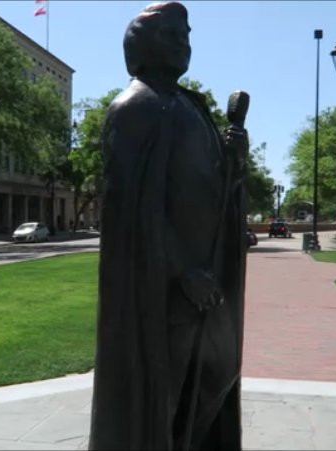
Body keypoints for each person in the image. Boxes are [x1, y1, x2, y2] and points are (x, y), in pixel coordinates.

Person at [89, 2, 249, 450]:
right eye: (172, 35)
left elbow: (216, 190)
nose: (184, 43)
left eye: (187, 34)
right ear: (143, 45)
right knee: (164, 393)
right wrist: (181, 270)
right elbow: (129, 211)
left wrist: (236, 162)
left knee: (217, 375)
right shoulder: (134, 107)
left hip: (209, 275)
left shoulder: (192, 106)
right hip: (163, 288)